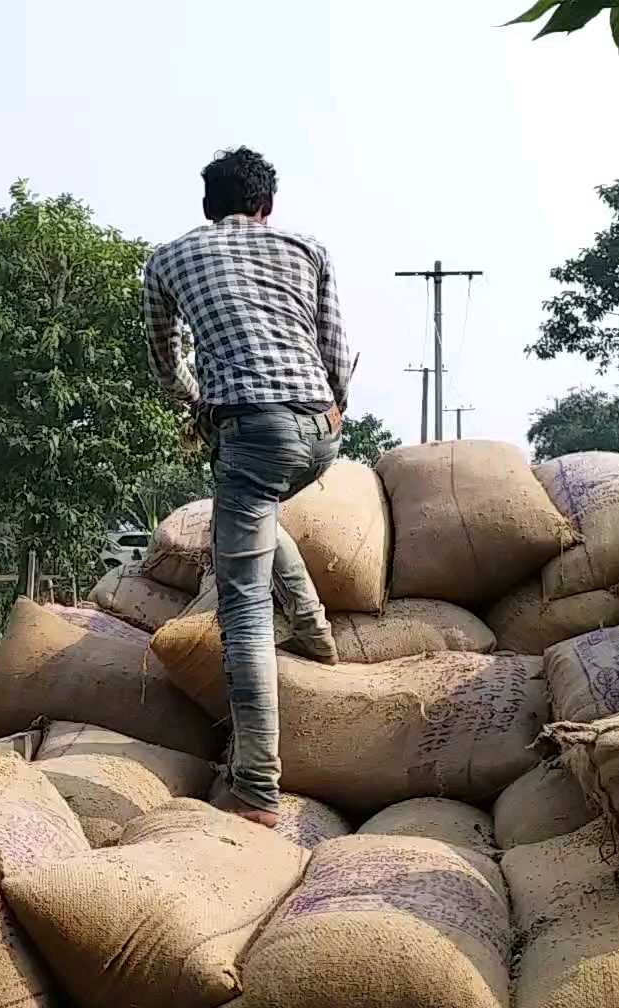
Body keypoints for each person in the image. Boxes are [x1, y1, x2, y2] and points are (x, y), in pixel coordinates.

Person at [141, 146, 352, 828]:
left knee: (244, 614)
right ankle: (317, 633)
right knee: (255, 509)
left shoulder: (169, 259)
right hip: (321, 431)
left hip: (251, 430)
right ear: (267, 206)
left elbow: (164, 358)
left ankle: (257, 787)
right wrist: (334, 406)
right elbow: (333, 345)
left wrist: (194, 401)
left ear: (207, 207)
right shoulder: (307, 246)